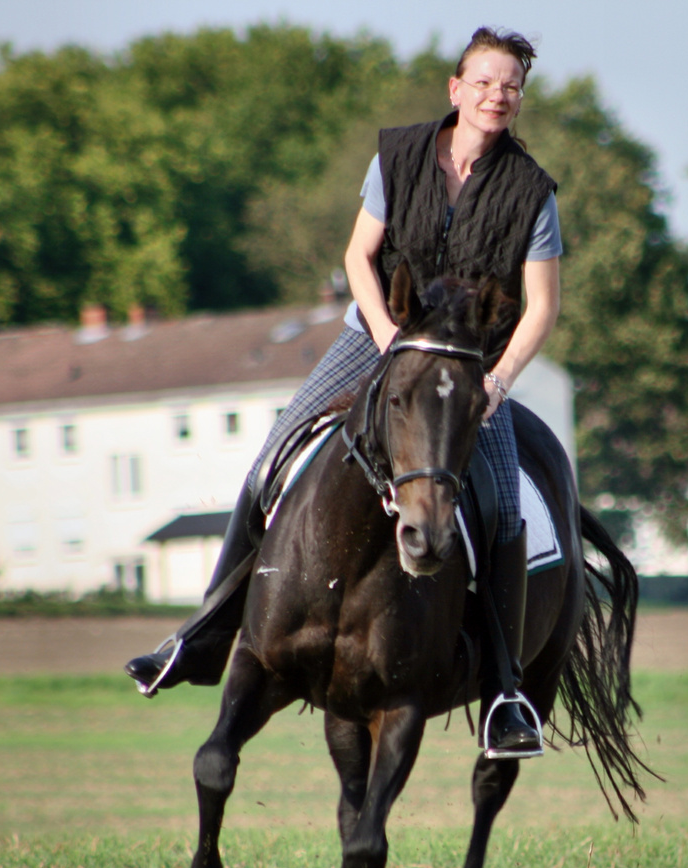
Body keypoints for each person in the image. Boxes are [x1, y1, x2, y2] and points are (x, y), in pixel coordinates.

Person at [126, 27, 562, 757]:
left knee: (509, 506)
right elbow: (359, 255)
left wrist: (499, 380)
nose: (499, 94)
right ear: (456, 89)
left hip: (465, 364)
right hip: (376, 338)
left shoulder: (531, 190)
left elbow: (542, 305)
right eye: (485, 81)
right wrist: (387, 333)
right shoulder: (396, 156)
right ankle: (203, 636)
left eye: (511, 84)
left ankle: (508, 691)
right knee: (270, 457)